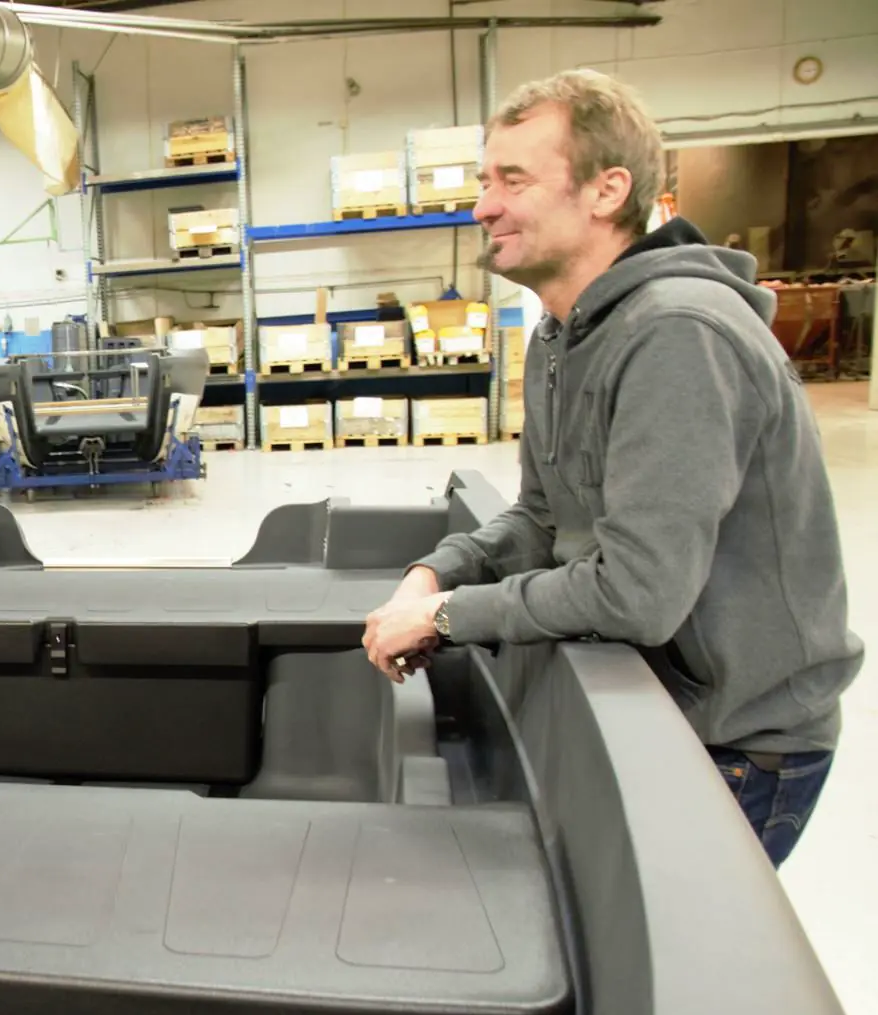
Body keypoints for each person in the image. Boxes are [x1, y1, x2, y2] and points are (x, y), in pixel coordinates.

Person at [362, 69, 863, 868]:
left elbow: (638, 591)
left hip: (733, 741)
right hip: (650, 701)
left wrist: (450, 616)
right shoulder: (565, 333)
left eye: (513, 180)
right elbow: (542, 516)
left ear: (607, 190)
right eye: (484, 181)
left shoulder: (678, 334)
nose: (483, 206)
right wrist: (435, 574)